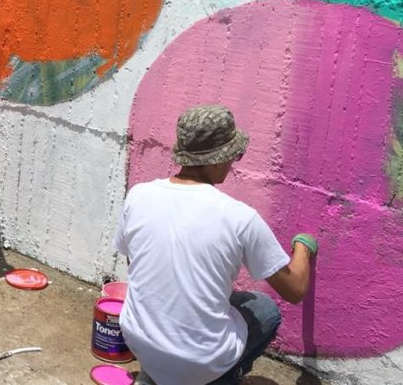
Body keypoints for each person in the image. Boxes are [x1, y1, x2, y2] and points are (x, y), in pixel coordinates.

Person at [114, 104, 318, 385]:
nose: (234, 162)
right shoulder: (239, 218)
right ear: (217, 159)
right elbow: (295, 290)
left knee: (223, 301)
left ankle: (157, 375)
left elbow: (135, 266)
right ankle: (219, 379)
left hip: (139, 340)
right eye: (234, 155)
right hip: (197, 360)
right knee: (265, 309)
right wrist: (303, 248)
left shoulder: (138, 195)